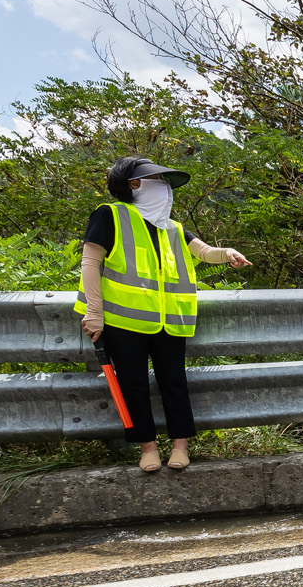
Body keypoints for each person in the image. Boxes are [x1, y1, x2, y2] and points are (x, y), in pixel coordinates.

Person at [75, 157, 253, 472]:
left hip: (170, 321)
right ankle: (147, 448)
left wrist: (227, 254)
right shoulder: (111, 216)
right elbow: (90, 263)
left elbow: (204, 252)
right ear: (133, 185)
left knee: (174, 382)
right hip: (123, 321)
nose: (166, 189)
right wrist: (94, 311)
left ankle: (180, 445)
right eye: (158, 181)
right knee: (133, 384)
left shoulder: (172, 227)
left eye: (166, 182)